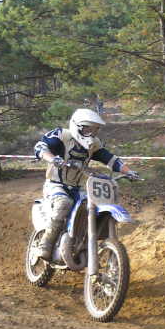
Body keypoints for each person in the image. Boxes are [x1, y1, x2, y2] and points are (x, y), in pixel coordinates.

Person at [33, 108, 138, 261]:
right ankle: (45, 244)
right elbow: (40, 147)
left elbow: (110, 159)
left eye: (95, 130)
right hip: (56, 184)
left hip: (79, 187)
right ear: (77, 126)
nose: (92, 133)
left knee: (93, 206)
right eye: (88, 129)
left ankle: (81, 240)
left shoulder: (93, 144)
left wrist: (129, 171)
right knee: (64, 203)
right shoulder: (62, 135)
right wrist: (52, 159)